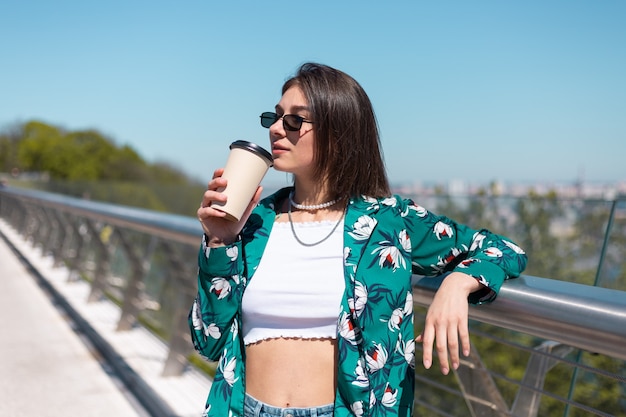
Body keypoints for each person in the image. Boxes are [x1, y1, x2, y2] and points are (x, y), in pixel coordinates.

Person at [189, 62, 527, 417]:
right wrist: (218, 242)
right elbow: (208, 340)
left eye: (294, 121)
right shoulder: (255, 222)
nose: (275, 129)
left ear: (339, 133)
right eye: (274, 117)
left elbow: (505, 250)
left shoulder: (388, 222)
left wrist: (457, 284)